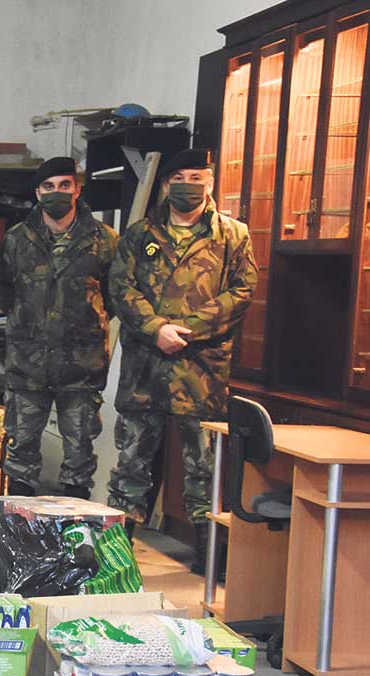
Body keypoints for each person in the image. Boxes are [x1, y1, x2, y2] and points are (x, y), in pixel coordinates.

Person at [108, 148, 257, 572]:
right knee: (132, 461)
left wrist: (186, 328)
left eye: (196, 177)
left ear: (210, 182)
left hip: (202, 368)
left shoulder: (233, 235)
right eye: (178, 178)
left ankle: (209, 557)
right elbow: (121, 288)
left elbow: (242, 291)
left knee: (205, 466)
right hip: (145, 366)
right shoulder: (139, 234)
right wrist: (156, 328)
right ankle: (116, 555)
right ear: (165, 184)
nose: (187, 185)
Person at [0, 156, 118, 500]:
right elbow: (2, 292)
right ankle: (17, 524)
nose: (56, 192)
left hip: (81, 367)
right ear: (37, 192)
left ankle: (74, 527)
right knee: (21, 452)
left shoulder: (104, 240)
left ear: (77, 189)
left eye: (64, 185)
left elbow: (114, 297)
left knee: (79, 455)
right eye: (48, 186)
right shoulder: (18, 239)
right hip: (27, 365)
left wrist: (80, 326)